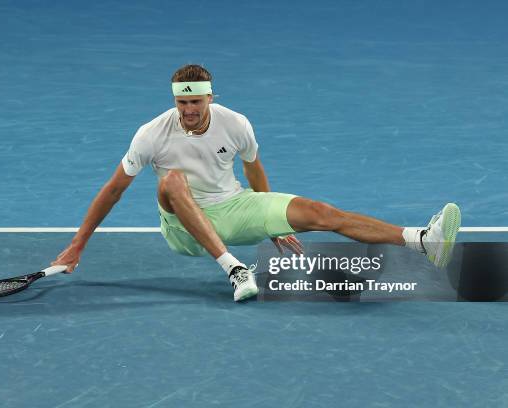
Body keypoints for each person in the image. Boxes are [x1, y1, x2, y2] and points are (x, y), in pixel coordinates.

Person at [52, 64, 461, 302]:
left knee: (322, 213)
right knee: (173, 180)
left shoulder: (236, 124)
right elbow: (114, 189)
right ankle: (233, 270)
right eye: (182, 102)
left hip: (234, 207)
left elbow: (253, 169)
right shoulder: (151, 134)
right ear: (175, 100)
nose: (189, 110)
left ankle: (422, 240)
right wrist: (78, 243)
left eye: (195, 101)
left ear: (210, 97)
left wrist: (271, 220)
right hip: (182, 228)